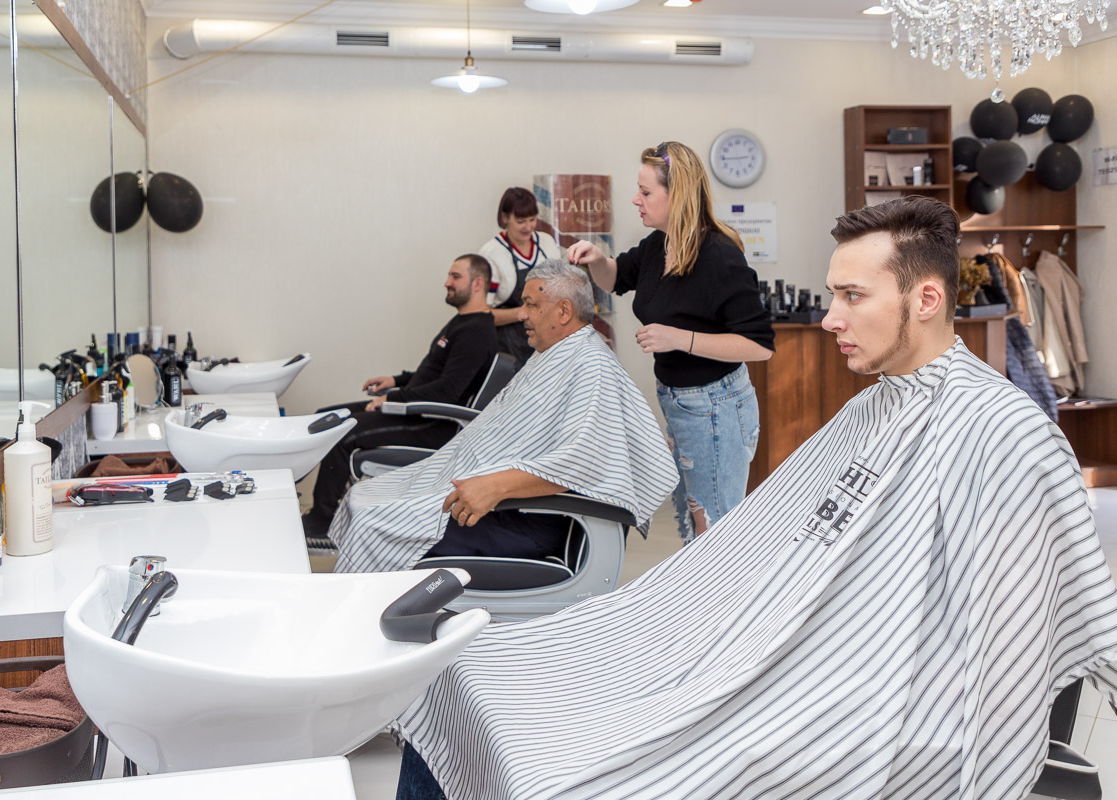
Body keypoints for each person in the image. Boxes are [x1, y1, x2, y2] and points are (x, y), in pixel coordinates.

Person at [393, 197, 1117, 800]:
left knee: (556, 762)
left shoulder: (1005, 432)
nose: (829, 318)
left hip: (863, 687)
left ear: (926, 299)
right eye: (832, 294)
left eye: (852, 296)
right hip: (757, 636)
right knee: (463, 672)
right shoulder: (877, 404)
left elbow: (1010, 646)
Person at [330, 260, 678, 574]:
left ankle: (366, 617)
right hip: (496, 498)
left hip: (530, 517)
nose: (522, 314)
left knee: (374, 521)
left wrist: (494, 486)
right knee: (364, 497)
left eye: (531, 304)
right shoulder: (554, 353)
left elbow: (583, 460)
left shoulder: (590, 366)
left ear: (563, 311)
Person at [567, 141, 774, 545]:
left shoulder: (719, 255)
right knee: (693, 521)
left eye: (645, 192)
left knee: (714, 528)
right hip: (680, 403)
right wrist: (597, 260)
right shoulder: (657, 245)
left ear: (676, 195)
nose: (635, 199)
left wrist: (678, 338)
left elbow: (759, 346)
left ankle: (722, 588)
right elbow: (615, 278)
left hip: (715, 407)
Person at [300, 255, 498, 547]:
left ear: (478, 283)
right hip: (413, 408)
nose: (447, 282)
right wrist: (396, 381)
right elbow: (433, 374)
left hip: (432, 423)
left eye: (455, 276)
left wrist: (392, 399)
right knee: (324, 417)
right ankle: (311, 499)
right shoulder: (463, 322)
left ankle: (322, 522)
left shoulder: (477, 332)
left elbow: (447, 392)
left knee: (341, 432)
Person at [480, 187, 562, 369]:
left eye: (532, 220)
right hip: (509, 346)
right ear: (505, 218)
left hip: (548, 342)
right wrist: (526, 312)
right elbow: (483, 315)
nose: (528, 227)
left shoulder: (546, 243)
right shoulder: (492, 253)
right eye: (520, 221)